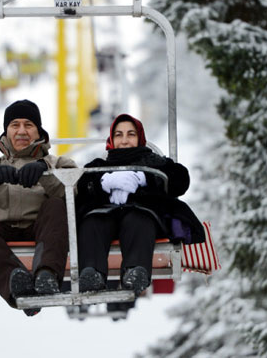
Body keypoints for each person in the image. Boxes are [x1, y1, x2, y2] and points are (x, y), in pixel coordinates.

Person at [0, 99, 77, 316]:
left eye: (28, 125)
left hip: (40, 228)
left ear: (38, 131)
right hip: (1, 229)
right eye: (15, 125)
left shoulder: (57, 162)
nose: (21, 131)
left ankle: (47, 276)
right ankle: (16, 283)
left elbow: (75, 189)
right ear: (6, 132)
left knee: (55, 205)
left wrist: (46, 172)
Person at [76, 114, 206, 297]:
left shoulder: (155, 163)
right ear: (112, 140)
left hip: (140, 213)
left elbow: (180, 180)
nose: (124, 140)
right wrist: (103, 182)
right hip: (106, 213)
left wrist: (145, 178)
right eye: (119, 135)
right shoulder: (98, 166)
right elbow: (80, 186)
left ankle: (135, 272)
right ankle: (92, 273)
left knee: (137, 220)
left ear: (139, 138)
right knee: (93, 221)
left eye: (130, 134)